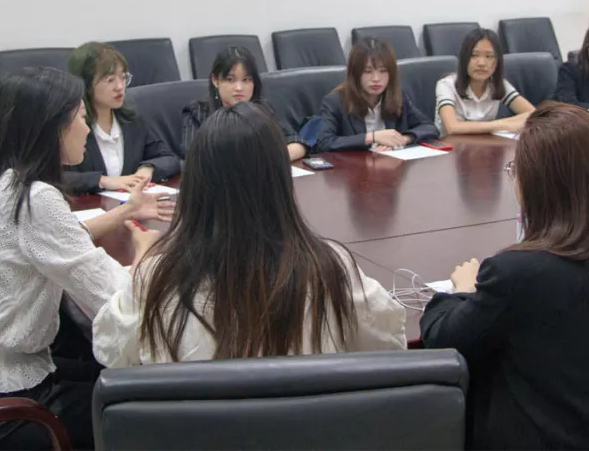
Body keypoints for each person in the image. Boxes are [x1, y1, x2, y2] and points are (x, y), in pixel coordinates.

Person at [0, 67, 164, 450]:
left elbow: (54, 239)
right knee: (152, 412)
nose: (88, 129)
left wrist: (125, 213)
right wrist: (144, 253)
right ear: (55, 127)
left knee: (95, 361)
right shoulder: (34, 199)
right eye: (82, 118)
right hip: (7, 411)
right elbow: (118, 300)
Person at [420, 104, 589, 450]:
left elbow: (443, 339)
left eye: (516, 169)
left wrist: (463, 289)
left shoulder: (517, 274)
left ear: (538, 184)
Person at [93, 102, 405, 365]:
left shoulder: (156, 277)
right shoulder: (331, 268)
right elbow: (389, 345)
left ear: (196, 186)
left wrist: (142, 261)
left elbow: (110, 351)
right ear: (279, 182)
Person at [64, 42, 180, 206]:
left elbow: (169, 158)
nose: (120, 87)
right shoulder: (72, 127)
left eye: (123, 77)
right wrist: (102, 180)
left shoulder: (131, 121)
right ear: (86, 84)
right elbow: (53, 177)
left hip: (131, 209)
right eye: (110, 80)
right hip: (88, 212)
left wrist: (147, 169)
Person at [181, 46, 307, 161]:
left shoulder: (263, 109)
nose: (239, 88)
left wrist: (270, 160)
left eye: (246, 80)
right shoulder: (197, 112)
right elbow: (192, 156)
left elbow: (297, 142)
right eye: (230, 80)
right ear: (215, 80)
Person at [315, 37, 438, 152]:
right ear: (355, 74)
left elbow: (429, 127)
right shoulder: (335, 101)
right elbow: (324, 142)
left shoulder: (398, 97)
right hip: (355, 165)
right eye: (368, 71)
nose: (376, 79)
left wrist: (403, 139)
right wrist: (372, 137)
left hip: (391, 162)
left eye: (383, 71)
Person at [435, 28, 535, 136]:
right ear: (464, 59)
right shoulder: (446, 85)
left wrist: (503, 124)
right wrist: (503, 124)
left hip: (485, 144)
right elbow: (452, 127)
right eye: (474, 55)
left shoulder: (498, 84)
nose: (481, 63)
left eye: (489, 56)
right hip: (450, 144)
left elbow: (533, 113)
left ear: (497, 62)